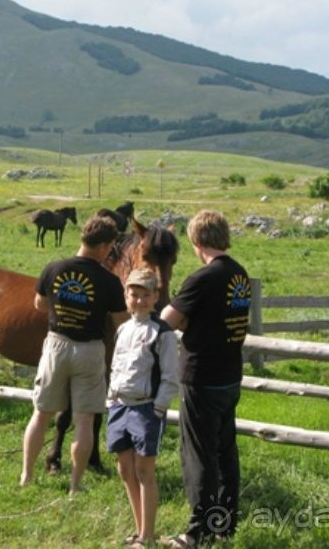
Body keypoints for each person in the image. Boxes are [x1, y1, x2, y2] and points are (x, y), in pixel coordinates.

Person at [160, 210, 251, 547]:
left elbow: (166, 322)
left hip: (202, 376)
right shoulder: (239, 275)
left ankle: (198, 530)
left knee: (198, 454)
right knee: (226, 451)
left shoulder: (202, 278)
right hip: (230, 376)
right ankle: (225, 523)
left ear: (197, 241)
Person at [20, 215, 127, 494]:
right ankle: (75, 484)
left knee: (41, 414)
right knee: (84, 421)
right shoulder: (110, 281)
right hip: (90, 350)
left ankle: (26, 475)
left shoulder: (54, 268)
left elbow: (40, 304)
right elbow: (122, 323)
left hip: (57, 345)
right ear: (105, 246)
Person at [106, 268, 178, 548]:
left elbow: (171, 377)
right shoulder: (123, 329)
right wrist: (111, 400)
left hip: (146, 409)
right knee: (125, 470)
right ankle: (139, 531)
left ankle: (147, 535)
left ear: (156, 296)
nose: (139, 300)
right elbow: (115, 366)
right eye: (134, 294)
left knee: (144, 471)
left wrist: (158, 409)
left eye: (145, 295)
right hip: (119, 407)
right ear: (126, 296)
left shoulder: (162, 332)